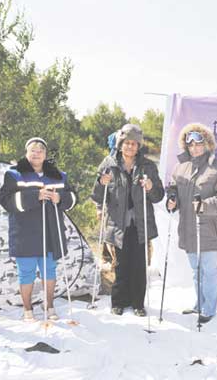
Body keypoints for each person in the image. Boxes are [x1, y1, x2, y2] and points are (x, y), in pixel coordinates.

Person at [0, 137, 77, 322]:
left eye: (40, 150)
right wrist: (35, 196)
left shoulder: (59, 175)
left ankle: (49, 306)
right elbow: (6, 202)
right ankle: (28, 310)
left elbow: (73, 197)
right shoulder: (14, 174)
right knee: (26, 272)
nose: (36, 153)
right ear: (26, 153)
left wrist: (61, 199)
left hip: (50, 232)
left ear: (45, 154)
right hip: (24, 233)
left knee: (49, 270)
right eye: (32, 150)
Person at [91, 124, 164, 316]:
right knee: (121, 264)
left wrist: (150, 187)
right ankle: (118, 302)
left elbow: (158, 196)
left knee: (139, 264)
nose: (130, 147)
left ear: (139, 146)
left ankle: (138, 304)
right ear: (120, 144)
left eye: (134, 144)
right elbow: (97, 196)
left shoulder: (147, 166)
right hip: (117, 223)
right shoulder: (108, 164)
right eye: (127, 143)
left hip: (140, 223)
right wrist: (101, 183)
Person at [167, 123, 217, 324]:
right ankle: (199, 303)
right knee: (196, 270)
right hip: (188, 227)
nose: (195, 148)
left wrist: (203, 206)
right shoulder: (181, 167)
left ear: (207, 144)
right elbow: (173, 188)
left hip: (209, 228)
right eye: (191, 145)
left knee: (208, 269)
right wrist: (172, 200)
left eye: (198, 143)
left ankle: (209, 308)